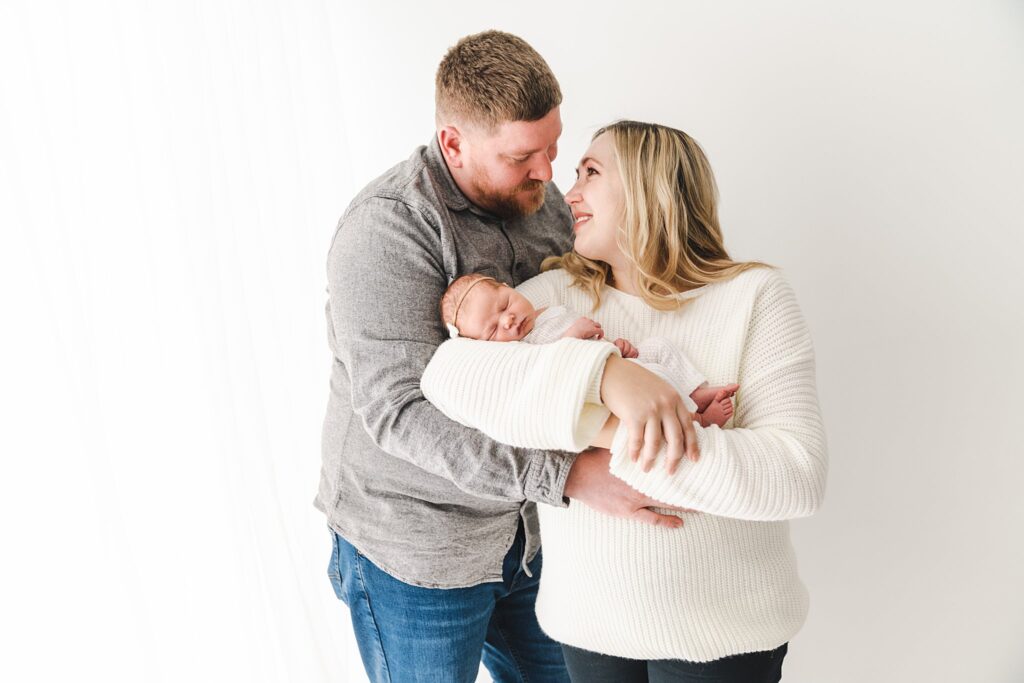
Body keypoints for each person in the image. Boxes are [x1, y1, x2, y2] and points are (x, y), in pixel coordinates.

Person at [318, 32, 699, 682]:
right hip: (417, 551)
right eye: (523, 155)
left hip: (531, 537)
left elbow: (588, 308)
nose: (548, 174)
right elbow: (402, 415)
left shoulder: (541, 201)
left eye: (554, 148)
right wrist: (570, 475)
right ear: (454, 144)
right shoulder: (387, 231)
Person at [421, 121, 828, 682]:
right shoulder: (550, 299)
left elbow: (795, 476)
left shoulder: (753, 296)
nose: (569, 193)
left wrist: (604, 438)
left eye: (591, 173)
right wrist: (610, 381)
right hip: (590, 628)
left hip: (726, 634)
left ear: (648, 188)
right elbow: (448, 376)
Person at [439, 272, 739, 428]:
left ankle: (696, 392)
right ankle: (698, 421)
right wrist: (573, 337)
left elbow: (600, 352)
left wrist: (617, 348)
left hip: (614, 364)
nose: (508, 319)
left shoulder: (548, 311)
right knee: (653, 379)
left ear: (508, 287)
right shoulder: (522, 351)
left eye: (505, 304)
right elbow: (556, 369)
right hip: (605, 393)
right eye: (493, 330)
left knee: (658, 348)